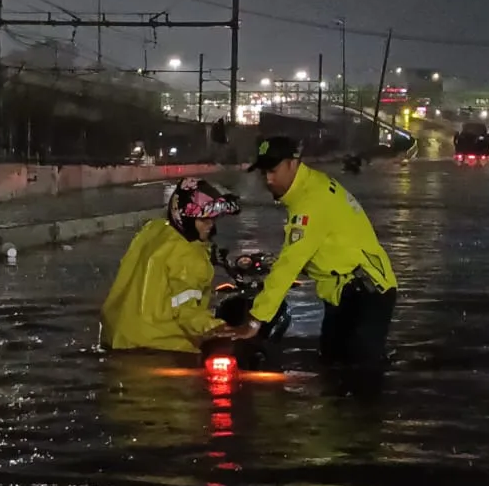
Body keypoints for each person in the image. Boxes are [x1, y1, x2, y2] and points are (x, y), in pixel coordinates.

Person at [229, 135, 398, 367]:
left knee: (359, 373)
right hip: (345, 290)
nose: (269, 179)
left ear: (292, 163)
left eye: (274, 171)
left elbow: (291, 262)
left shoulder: (310, 202)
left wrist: (255, 320)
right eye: (264, 173)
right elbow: (315, 249)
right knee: (332, 364)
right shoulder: (311, 186)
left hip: (366, 294)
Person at [100, 177, 242, 354]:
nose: (210, 225)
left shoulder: (154, 229)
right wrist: (221, 330)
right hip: (155, 344)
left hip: (116, 334)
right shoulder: (188, 257)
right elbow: (187, 313)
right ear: (185, 217)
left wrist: (209, 253)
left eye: (212, 219)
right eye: (203, 220)